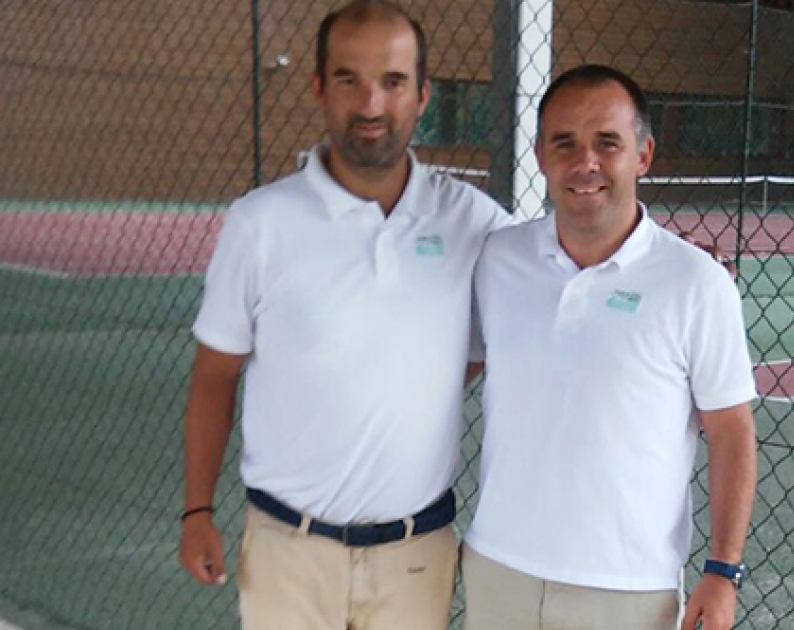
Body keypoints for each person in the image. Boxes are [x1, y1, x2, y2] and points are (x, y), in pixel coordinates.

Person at [177, 3, 509, 629]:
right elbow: (214, 373)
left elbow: (559, 272)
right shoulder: (259, 224)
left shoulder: (471, 221)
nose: (371, 104)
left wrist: (664, 259)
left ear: (422, 95)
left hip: (416, 556)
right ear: (319, 88)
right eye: (349, 79)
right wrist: (196, 510)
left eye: (393, 81)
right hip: (286, 553)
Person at [463, 65, 758, 630]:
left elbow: (731, 431)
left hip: (628, 590)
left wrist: (723, 572)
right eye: (564, 143)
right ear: (541, 155)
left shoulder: (696, 283)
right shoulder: (498, 259)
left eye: (608, 143)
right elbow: (457, 369)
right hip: (498, 571)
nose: (585, 163)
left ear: (643, 155)